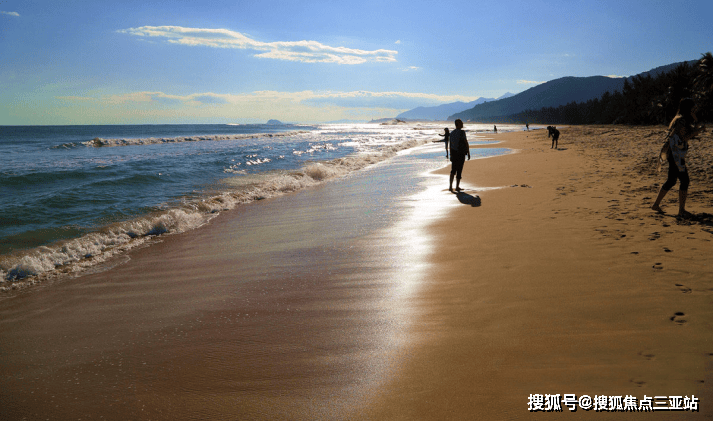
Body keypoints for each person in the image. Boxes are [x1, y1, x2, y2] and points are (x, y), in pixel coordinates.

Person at [651, 98, 703, 218]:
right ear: (688, 108)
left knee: (671, 180)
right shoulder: (682, 120)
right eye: (693, 107)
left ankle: (656, 204)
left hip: (673, 153)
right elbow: (684, 137)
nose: (695, 108)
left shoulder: (678, 118)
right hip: (676, 156)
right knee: (684, 181)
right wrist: (698, 131)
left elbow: (680, 135)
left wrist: (695, 124)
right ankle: (681, 210)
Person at [449, 119, 470, 192]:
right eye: (461, 123)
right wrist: (468, 152)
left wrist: (450, 154)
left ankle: (450, 186)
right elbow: (466, 142)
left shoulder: (452, 133)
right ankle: (457, 187)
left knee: (453, 170)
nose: (462, 124)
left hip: (454, 153)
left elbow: (450, 145)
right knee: (459, 170)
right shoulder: (462, 132)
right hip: (461, 153)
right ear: (458, 124)